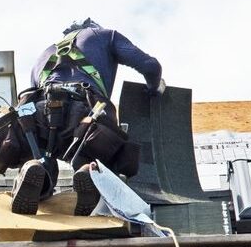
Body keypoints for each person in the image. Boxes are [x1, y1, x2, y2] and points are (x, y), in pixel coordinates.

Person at [10, 18, 164, 216]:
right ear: (93, 28)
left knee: (42, 158)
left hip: (39, 114)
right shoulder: (105, 36)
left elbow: (29, 98)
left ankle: (34, 169)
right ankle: (88, 172)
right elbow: (150, 66)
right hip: (87, 113)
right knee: (96, 152)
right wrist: (155, 88)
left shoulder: (43, 55)